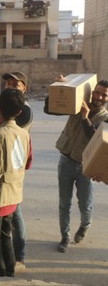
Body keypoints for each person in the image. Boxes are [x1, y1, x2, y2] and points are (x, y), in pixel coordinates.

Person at [44, 78, 108, 253]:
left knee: (85, 205)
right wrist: (59, 89)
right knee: (64, 203)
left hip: (86, 167)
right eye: (98, 92)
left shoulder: (105, 117)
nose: (100, 97)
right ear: (92, 92)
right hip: (66, 161)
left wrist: (84, 118)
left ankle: (84, 226)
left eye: (104, 95)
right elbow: (51, 109)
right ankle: (64, 236)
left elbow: (96, 138)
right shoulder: (77, 104)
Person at [0, 71, 32, 269]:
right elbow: (27, 162)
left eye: (14, 83)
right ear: (17, 112)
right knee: (5, 236)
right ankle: (9, 271)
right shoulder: (24, 135)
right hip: (14, 192)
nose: (10, 85)